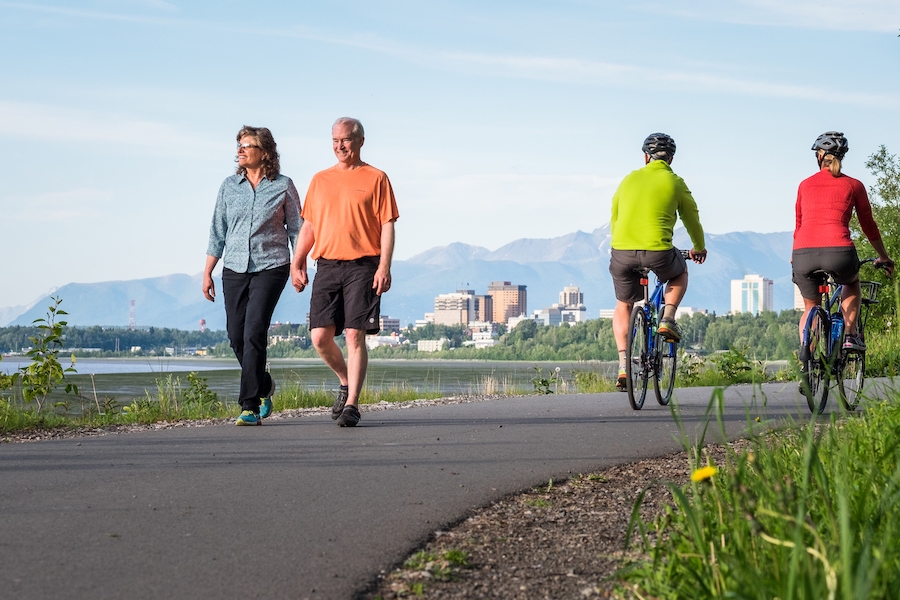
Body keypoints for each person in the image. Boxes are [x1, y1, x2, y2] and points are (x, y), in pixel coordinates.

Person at [291, 117, 399, 427]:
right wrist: (296, 262)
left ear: (360, 141)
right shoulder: (320, 180)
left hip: (363, 266)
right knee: (320, 337)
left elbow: (387, 226)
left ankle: (352, 404)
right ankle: (345, 381)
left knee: (354, 334)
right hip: (326, 264)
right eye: (335, 140)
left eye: (346, 139)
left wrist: (384, 267)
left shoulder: (377, 178)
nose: (340, 145)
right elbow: (309, 226)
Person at [203, 126, 302, 426]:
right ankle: (264, 385)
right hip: (233, 268)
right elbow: (217, 230)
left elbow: (297, 229)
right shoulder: (228, 186)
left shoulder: (283, 186)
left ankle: (248, 405)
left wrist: (298, 266)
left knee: (254, 331)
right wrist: (207, 271)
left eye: (247, 145)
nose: (240, 150)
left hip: (271, 266)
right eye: (239, 146)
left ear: (265, 152)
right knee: (236, 336)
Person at [608, 133, 707, 389]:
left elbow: (615, 215)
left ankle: (623, 366)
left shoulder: (628, 180)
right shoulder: (675, 182)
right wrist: (699, 248)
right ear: (671, 159)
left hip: (622, 251)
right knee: (679, 274)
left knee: (623, 305)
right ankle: (668, 319)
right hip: (659, 252)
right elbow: (691, 218)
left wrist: (621, 243)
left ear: (645, 157)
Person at [792, 131, 894, 353]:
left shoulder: (804, 185)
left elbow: (799, 225)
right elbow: (868, 225)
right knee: (851, 283)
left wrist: (794, 255)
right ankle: (850, 336)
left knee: (810, 307)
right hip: (839, 252)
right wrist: (883, 257)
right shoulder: (853, 185)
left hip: (802, 253)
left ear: (819, 156)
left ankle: (806, 355)